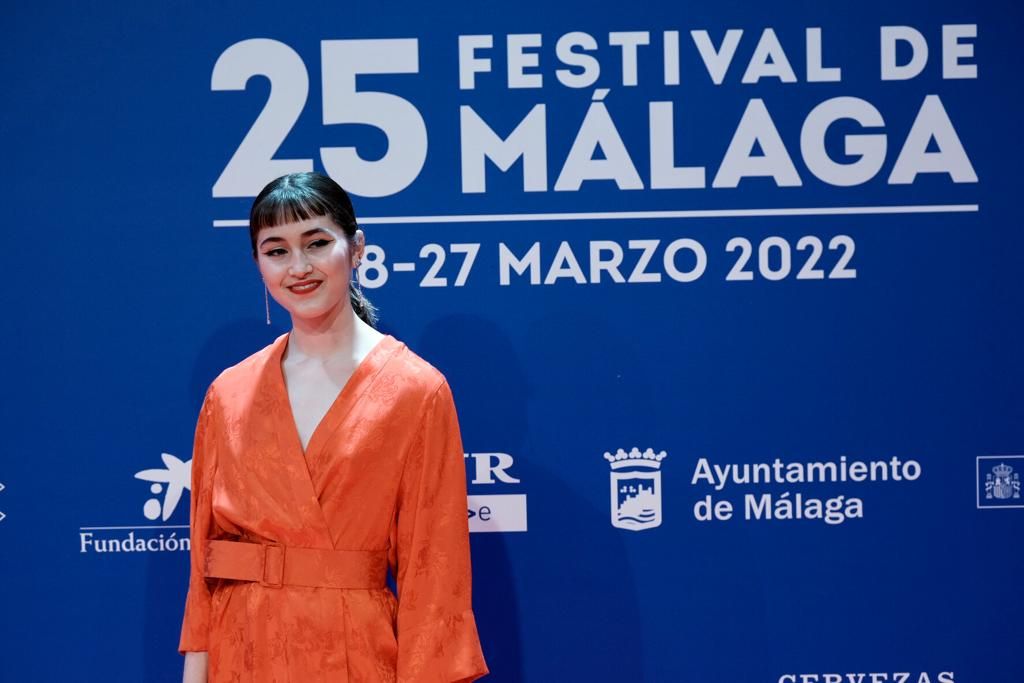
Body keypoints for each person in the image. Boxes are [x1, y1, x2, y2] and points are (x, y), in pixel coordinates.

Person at [179, 172, 489, 683]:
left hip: (354, 654)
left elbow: (436, 578)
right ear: (257, 264)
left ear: (357, 247)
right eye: (276, 250)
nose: (298, 267)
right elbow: (204, 572)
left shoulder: (416, 390)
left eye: (317, 243)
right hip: (243, 654)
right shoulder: (228, 394)